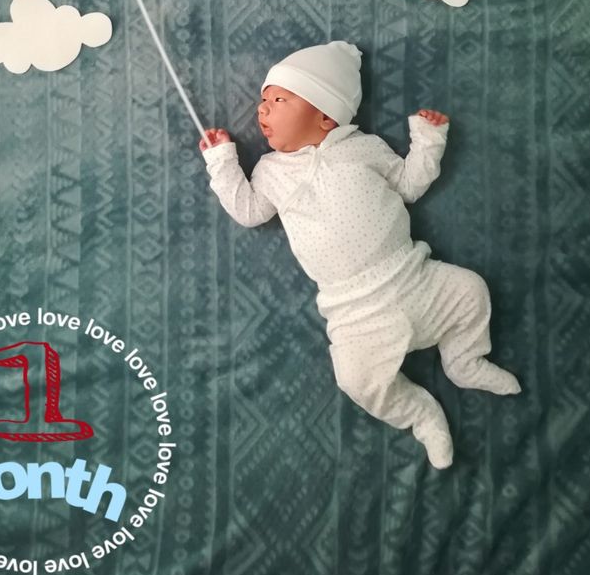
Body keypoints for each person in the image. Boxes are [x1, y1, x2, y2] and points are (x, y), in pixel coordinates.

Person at [200, 41, 520, 468]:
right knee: (355, 379)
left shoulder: (364, 148)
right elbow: (249, 211)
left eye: (278, 99)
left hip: (414, 278)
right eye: (262, 100)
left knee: (470, 289)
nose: (261, 110)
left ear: (325, 115)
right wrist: (223, 162)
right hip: (355, 309)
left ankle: (465, 359)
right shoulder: (271, 171)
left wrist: (428, 143)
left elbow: (407, 185)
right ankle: (420, 412)